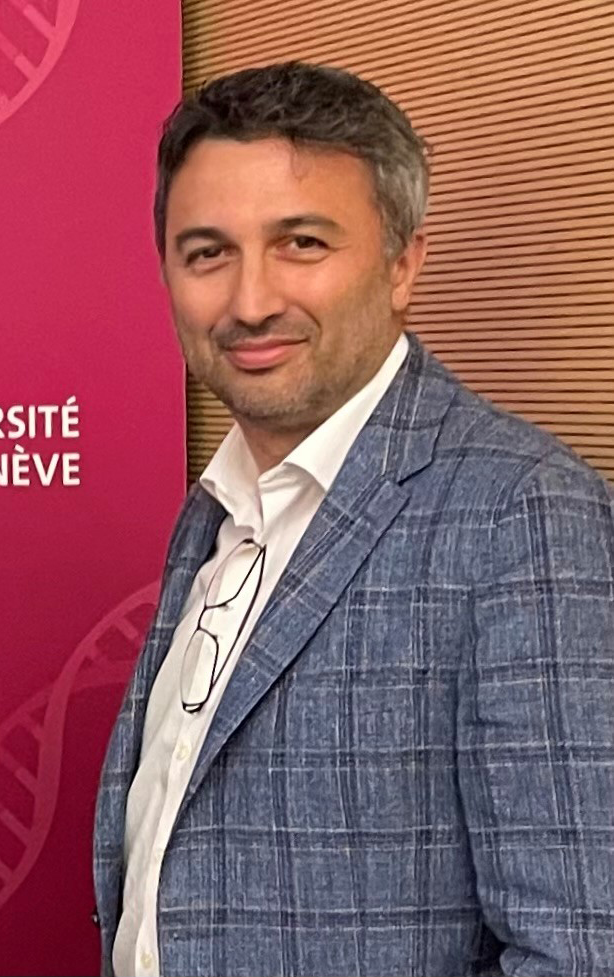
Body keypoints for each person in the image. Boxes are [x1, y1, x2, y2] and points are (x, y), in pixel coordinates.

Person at [93, 62, 614, 976]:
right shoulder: (218, 509)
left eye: (301, 243)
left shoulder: (521, 515)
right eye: (208, 252)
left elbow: (578, 947)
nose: (251, 301)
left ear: (403, 260)